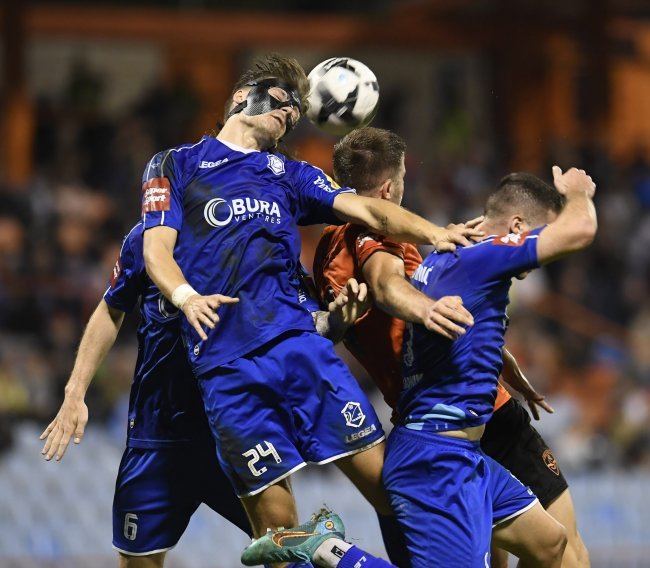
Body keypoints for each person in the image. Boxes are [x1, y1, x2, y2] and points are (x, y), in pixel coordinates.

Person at [139, 53, 480, 546]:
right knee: (280, 534)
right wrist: (186, 296)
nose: (290, 113)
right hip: (225, 368)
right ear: (241, 97)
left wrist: (436, 232)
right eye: (281, 100)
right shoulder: (176, 164)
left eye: (297, 110)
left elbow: (369, 209)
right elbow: (156, 251)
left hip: (299, 350)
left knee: (395, 492)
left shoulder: (288, 173)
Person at [244, 166, 596, 568]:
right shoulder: (479, 257)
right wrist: (577, 193)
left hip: (464, 453)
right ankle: (324, 548)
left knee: (551, 543)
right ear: (516, 227)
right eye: (535, 232)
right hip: (437, 459)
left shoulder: (444, 259)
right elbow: (579, 231)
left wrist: (498, 358)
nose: (536, 254)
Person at [39, 221, 368, 567]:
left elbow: (305, 326)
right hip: (158, 435)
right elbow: (111, 308)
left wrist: (339, 322)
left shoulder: (262, 234)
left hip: (239, 430)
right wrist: (75, 391)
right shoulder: (147, 238)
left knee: (287, 553)